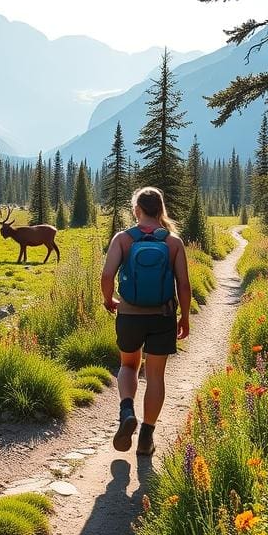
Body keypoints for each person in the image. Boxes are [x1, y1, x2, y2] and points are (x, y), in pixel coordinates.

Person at [100, 187, 191, 456]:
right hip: (162, 316)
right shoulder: (173, 242)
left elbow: (107, 275)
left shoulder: (123, 239)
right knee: (155, 376)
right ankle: (146, 438)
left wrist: (109, 300)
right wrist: (184, 316)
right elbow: (184, 285)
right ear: (161, 209)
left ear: (136, 209)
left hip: (129, 314)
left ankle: (127, 410)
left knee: (128, 366)